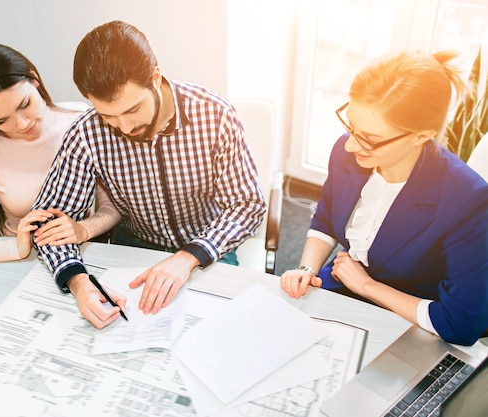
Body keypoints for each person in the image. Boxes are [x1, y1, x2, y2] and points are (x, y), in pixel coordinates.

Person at [33, 20, 265, 329]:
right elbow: (48, 222)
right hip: (134, 249)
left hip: (208, 248)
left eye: (132, 110)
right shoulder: (86, 132)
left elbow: (247, 205)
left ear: (155, 77)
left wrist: (186, 258)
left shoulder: (215, 114)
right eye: (108, 116)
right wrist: (78, 281)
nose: (125, 128)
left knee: (216, 334)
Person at [280, 49, 488, 346]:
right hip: (344, 283)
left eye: (369, 139)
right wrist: (306, 269)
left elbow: (462, 323)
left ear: (421, 136)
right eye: (351, 125)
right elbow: (326, 218)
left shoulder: (469, 201)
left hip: (414, 317)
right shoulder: (348, 151)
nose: (351, 144)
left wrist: (367, 286)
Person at [0, 42, 120, 264]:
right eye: (1, 120)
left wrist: (83, 230)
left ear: (34, 78)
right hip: (23, 265)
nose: (22, 124)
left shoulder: (82, 126)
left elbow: (113, 206)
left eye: (24, 104)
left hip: (83, 254)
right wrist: (17, 248)